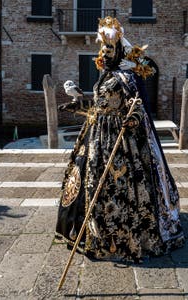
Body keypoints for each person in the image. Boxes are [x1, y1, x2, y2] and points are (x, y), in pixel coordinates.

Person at [56, 16, 185, 263]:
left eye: (109, 48)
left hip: (120, 138)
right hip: (96, 135)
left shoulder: (127, 77)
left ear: (119, 50)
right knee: (87, 181)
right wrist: (78, 103)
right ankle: (88, 232)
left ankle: (125, 235)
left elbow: (137, 107)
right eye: (103, 48)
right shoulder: (105, 75)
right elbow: (100, 103)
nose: (104, 52)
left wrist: (132, 120)